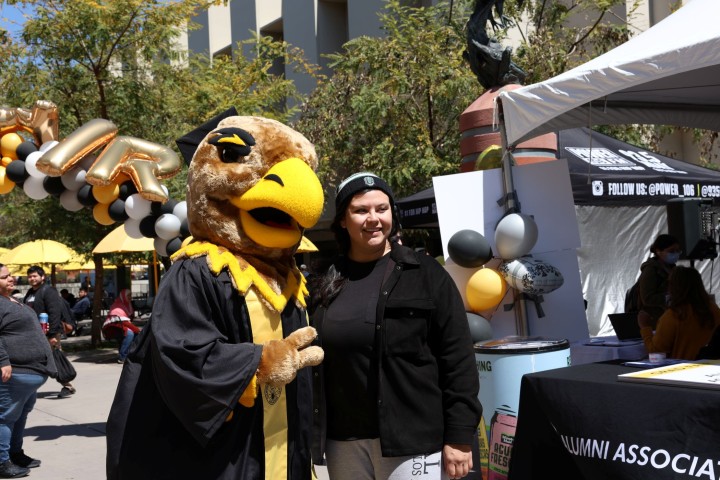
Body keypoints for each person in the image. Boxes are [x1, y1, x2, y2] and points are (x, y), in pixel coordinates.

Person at [309, 172, 482, 480]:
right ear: (342, 222)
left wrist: (459, 435)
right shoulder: (323, 280)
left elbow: (458, 358)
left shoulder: (426, 274)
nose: (373, 218)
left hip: (412, 440)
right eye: (361, 210)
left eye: (382, 209)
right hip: (342, 442)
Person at [0, 264, 56, 477]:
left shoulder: (13, 299)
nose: (11, 279)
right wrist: (3, 360)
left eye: (10, 275)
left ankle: (15, 453)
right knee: (5, 417)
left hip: (33, 371)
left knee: (20, 415)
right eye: (5, 277)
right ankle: (2, 462)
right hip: (14, 372)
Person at [638, 265, 720, 360]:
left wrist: (645, 326)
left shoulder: (674, 314)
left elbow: (656, 351)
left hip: (682, 369)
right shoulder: (714, 310)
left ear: (673, 286)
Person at [22, 266, 77, 399]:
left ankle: (68, 386)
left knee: (53, 358)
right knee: (39, 359)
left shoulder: (48, 291)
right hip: (35, 333)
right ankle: (29, 386)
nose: (32, 278)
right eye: (30, 276)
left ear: (42, 277)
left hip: (48, 332)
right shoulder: (30, 293)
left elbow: (54, 313)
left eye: (35, 276)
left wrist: (52, 334)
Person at [635, 234, 681, 328]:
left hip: (670, 318)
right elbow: (647, 298)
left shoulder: (673, 268)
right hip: (654, 320)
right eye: (671, 251)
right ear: (658, 251)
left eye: (678, 251)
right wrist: (670, 297)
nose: (675, 254)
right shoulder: (650, 270)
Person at [102, 289, 140, 364]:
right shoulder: (117, 306)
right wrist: (137, 329)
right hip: (112, 329)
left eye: (130, 295)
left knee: (134, 334)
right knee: (130, 334)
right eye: (128, 295)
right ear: (123, 296)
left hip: (120, 328)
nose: (130, 297)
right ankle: (122, 356)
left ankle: (132, 353)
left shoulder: (127, 305)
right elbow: (124, 322)